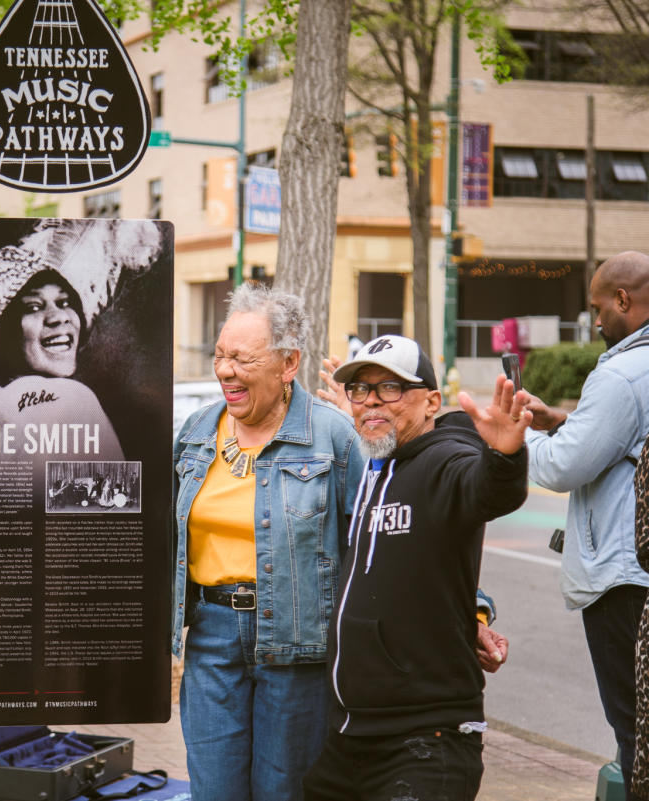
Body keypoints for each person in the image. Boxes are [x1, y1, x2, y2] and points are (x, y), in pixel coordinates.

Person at [302, 335, 529, 801]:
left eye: (389, 388)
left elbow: (486, 489)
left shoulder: (445, 460)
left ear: (431, 402)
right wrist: (374, 416)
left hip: (427, 741)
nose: (370, 401)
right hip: (351, 738)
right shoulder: (376, 466)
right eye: (360, 390)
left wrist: (504, 457)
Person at [172, 285, 365, 801]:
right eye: (220, 355)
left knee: (285, 791)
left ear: (287, 363)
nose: (225, 370)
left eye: (241, 358)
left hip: (298, 642)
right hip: (212, 637)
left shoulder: (333, 438)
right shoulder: (194, 433)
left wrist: (470, 609)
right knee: (213, 790)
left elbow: (379, 540)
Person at [524, 251, 649, 801]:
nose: (596, 321)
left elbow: (559, 467)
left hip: (623, 577)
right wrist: (563, 421)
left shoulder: (622, 374)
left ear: (623, 300)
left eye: (599, 308)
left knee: (634, 733)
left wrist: (514, 435)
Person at [0, 218, 164, 462]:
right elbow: (113, 500)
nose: (59, 317)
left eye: (65, 303)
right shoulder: (67, 397)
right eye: (34, 307)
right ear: (1, 335)